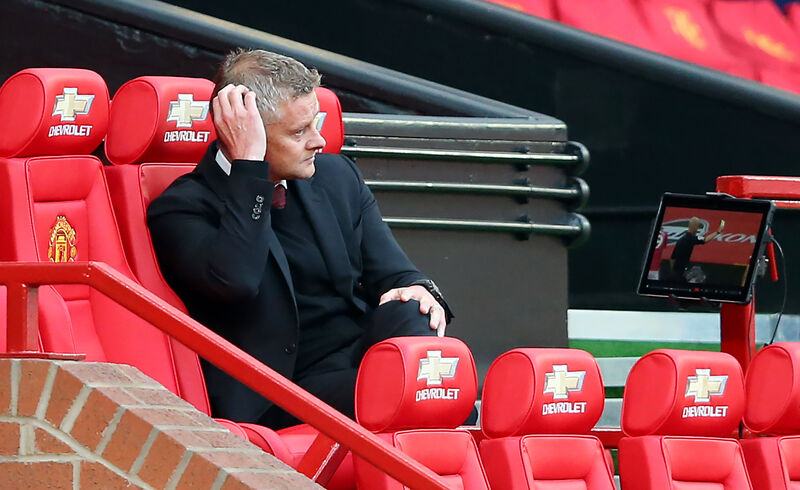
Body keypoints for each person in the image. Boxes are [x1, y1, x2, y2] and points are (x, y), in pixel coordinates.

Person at [147, 49, 453, 429]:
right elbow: (237, 281)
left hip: (355, 361)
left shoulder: (337, 177)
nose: (319, 141)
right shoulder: (182, 208)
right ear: (245, 131)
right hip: (277, 389)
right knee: (408, 396)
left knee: (414, 316)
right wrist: (250, 169)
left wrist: (420, 290)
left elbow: (396, 274)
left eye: (316, 123)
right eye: (299, 132)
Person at [670, 216, 725, 281]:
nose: (698, 228)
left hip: (675, 273)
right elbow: (705, 240)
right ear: (695, 227)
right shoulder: (691, 239)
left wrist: (673, 271)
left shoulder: (681, 240)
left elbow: (672, 258)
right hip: (681, 273)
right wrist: (718, 232)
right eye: (698, 226)